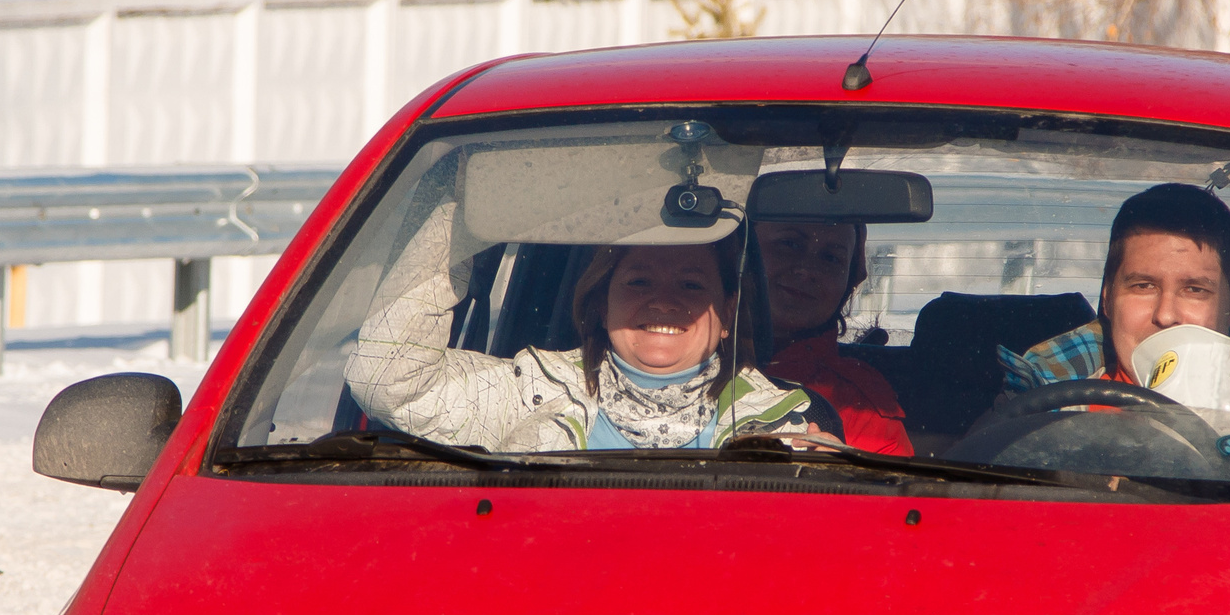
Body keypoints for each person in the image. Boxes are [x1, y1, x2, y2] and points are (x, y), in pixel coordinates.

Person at [345, 199, 825, 451]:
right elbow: (386, 378)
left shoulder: (785, 426)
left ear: (727, 316)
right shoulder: (529, 392)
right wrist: (461, 194)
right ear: (601, 304)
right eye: (638, 281)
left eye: (692, 286)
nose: (663, 302)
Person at [998, 182, 1230, 392]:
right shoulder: (1041, 413)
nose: (1165, 316)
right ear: (1107, 298)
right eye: (1144, 286)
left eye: (1194, 290)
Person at [756, 216, 914, 455]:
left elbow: (891, 489)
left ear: (849, 281)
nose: (807, 270)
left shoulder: (860, 406)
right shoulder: (683, 359)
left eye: (831, 258)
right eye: (789, 244)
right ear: (741, 255)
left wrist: (845, 476)